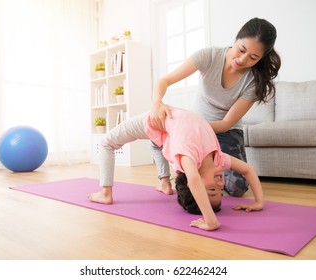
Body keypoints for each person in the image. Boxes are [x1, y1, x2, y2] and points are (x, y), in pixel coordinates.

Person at [149, 17, 281, 197]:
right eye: (241, 50)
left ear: (261, 58)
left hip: (225, 131)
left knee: (237, 188)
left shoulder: (254, 82)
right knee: (155, 128)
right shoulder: (209, 56)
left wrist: (195, 128)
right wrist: (157, 102)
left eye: (253, 57)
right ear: (236, 39)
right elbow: (165, 81)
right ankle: (164, 180)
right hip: (195, 126)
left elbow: (226, 123)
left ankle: (206, 166)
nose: (242, 59)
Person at [88, 106, 264, 231]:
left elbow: (194, 179)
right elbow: (248, 170)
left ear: (190, 178)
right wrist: (259, 202)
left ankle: (105, 193)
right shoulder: (219, 158)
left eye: (211, 189)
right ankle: (165, 183)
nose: (220, 183)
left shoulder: (188, 155)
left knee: (106, 143)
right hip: (168, 126)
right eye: (220, 190)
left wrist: (211, 221)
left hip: (152, 121)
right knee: (159, 144)